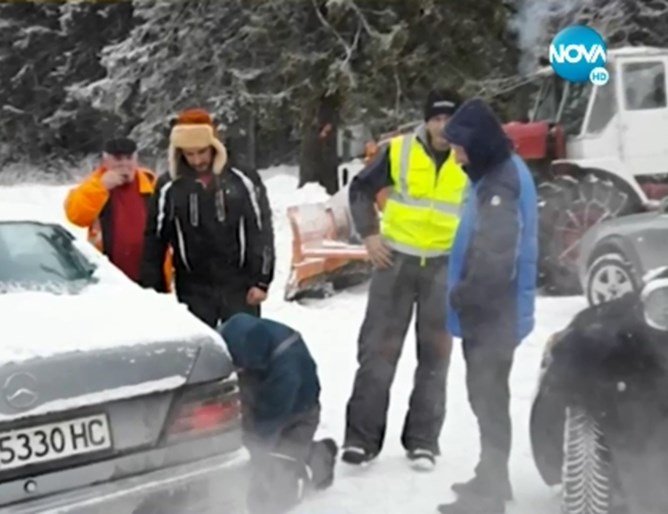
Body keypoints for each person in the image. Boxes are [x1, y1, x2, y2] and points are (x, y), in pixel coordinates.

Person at [342, 89, 468, 470]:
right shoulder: (398, 149)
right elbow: (361, 189)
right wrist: (369, 233)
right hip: (395, 264)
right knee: (377, 353)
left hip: (443, 268)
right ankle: (361, 441)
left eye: (450, 119)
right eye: (436, 119)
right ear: (426, 121)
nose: (443, 127)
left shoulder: (470, 157)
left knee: (435, 357)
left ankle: (423, 441)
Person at [436, 98, 538, 514]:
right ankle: (491, 474)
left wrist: (462, 294)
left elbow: (497, 258)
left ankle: (491, 493)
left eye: (460, 146)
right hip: (491, 311)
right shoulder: (494, 172)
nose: (456, 155)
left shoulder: (500, 184)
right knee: (486, 398)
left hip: (494, 313)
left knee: (489, 399)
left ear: (477, 143)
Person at [140, 108, 275, 327]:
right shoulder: (169, 187)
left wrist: (261, 280)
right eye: (189, 154)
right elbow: (155, 238)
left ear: (214, 146)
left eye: (202, 152)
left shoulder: (242, 178)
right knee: (201, 354)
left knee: (244, 351)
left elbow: (260, 230)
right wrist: (153, 289)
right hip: (193, 286)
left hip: (238, 284)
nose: (197, 160)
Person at [219, 313, 337, 514]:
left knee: (276, 495)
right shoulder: (236, 334)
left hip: (297, 417)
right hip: (259, 402)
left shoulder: (287, 369)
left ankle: (319, 456)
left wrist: (255, 455)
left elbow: (270, 423)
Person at [64, 137, 171, 286]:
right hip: (110, 278)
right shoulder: (94, 184)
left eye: (129, 158)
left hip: (153, 275)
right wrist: (101, 187)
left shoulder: (151, 183)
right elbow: (76, 216)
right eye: (118, 158)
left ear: (136, 159)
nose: (124, 164)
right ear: (105, 160)